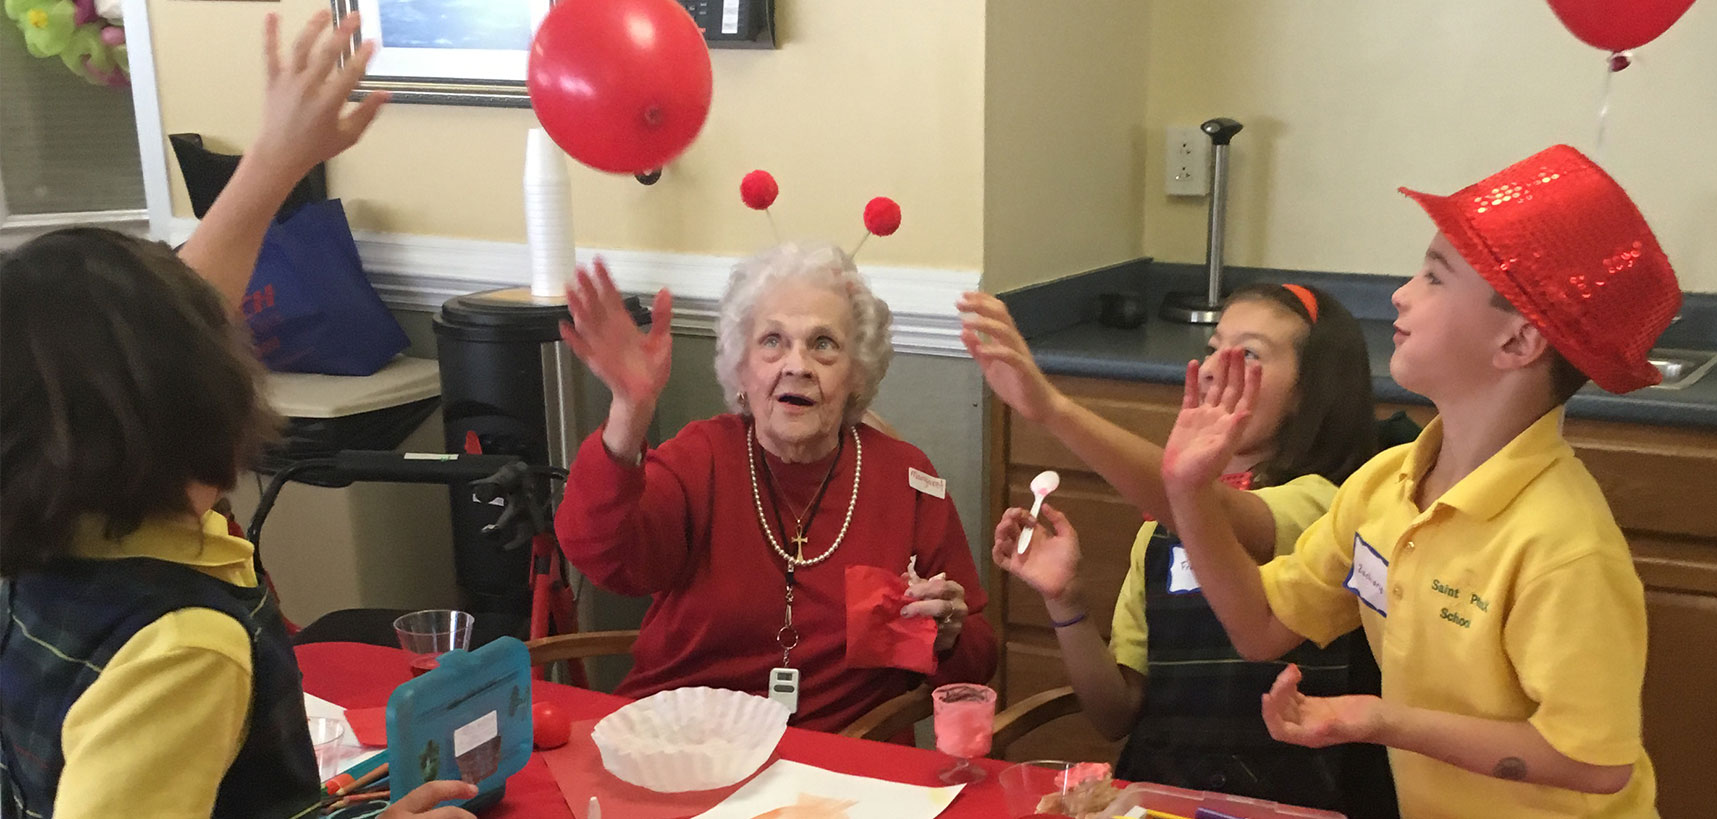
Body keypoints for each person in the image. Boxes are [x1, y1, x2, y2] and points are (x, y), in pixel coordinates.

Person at [0, 11, 477, 819]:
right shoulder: (182, 646)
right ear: (202, 401)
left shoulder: (46, 551)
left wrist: (279, 157)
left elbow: (148, 342)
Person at [1159, 144, 1676, 817]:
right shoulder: (1385, 484)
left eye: (1434, 277)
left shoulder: (1562, 545)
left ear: (1518, 343)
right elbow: (1259, 624)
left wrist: (1381, 720)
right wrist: (1190, 491)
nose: (1400, 293)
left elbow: (1594, 761)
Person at [961, 284, 1397, 816]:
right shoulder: (1158, 532)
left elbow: (1216, 514)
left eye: (1250, 354)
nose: (1214, 367)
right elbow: (1117, 715)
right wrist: (1065, 601)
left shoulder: (1326, 506)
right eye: (1214, 347)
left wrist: (1052, 409)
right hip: (1163, 802)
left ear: (1310, 392)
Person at [554, 241, 997, 732]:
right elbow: (601, 554)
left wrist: (950, 636)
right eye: (772, 341)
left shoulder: (906, 480)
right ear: (742, 368)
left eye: (823, 344)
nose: (798, 365)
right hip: (683, 747)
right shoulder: (702, 457)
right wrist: (629, 413)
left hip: (839, 764)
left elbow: (976, 664)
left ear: (857, 374)